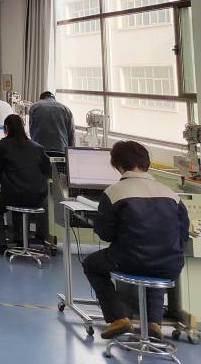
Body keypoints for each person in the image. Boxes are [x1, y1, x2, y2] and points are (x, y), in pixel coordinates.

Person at [83, 141, 189, 340]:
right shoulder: (172, 195)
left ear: (118, 165)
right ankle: (154, 323)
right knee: (157, 263)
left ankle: (118, 318)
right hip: (171, 266)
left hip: (130, 261)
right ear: (146, 163)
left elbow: (105, 233)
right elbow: (183, 234)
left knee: (91, 264)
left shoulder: (114, 192)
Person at [0, 114, 51, 254]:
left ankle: (1, 243)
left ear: (6, 128)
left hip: (13, 195)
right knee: (24, 204)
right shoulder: (37, 148)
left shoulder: (1, 146)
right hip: (37, 197)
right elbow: (47, 170)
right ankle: (27, 239)